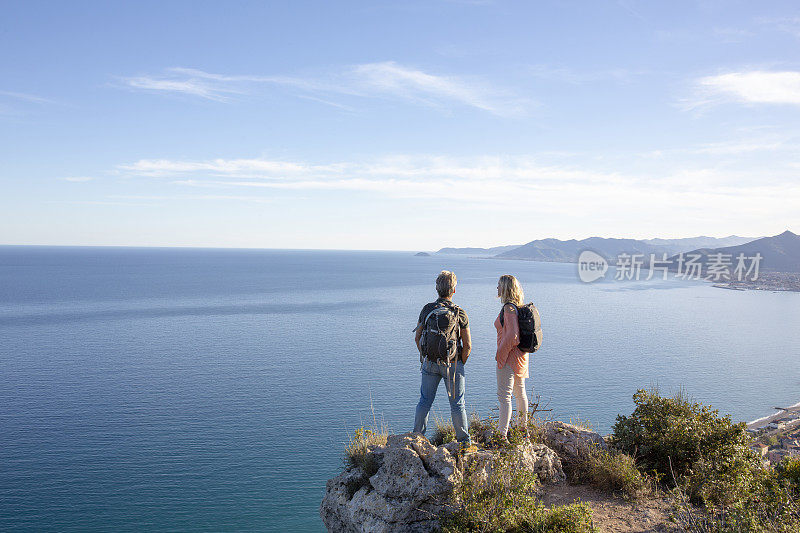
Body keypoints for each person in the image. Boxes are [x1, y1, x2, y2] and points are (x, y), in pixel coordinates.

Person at [413, 270, 475, 451]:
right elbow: (468, 345)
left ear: (436, 289)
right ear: (454, 290)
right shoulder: (459, 313)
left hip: (430, 363)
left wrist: (426, 357)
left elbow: (417, 338)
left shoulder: (427, 309)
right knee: (457, 404)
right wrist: (460, 362)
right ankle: (464, 443)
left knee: (424, 401)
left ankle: (417, 437)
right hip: (453, 364)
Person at [494, 274, 530, 443]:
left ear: (506, 288)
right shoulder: (517, 306)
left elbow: (513, 336)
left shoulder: (508, 308)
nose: (497, 288)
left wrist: (500, 353)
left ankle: (502, 435)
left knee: (504, 397)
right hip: (521, 357)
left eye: (499, 285)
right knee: (519, 393)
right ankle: (522, 430)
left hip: (508, 357)